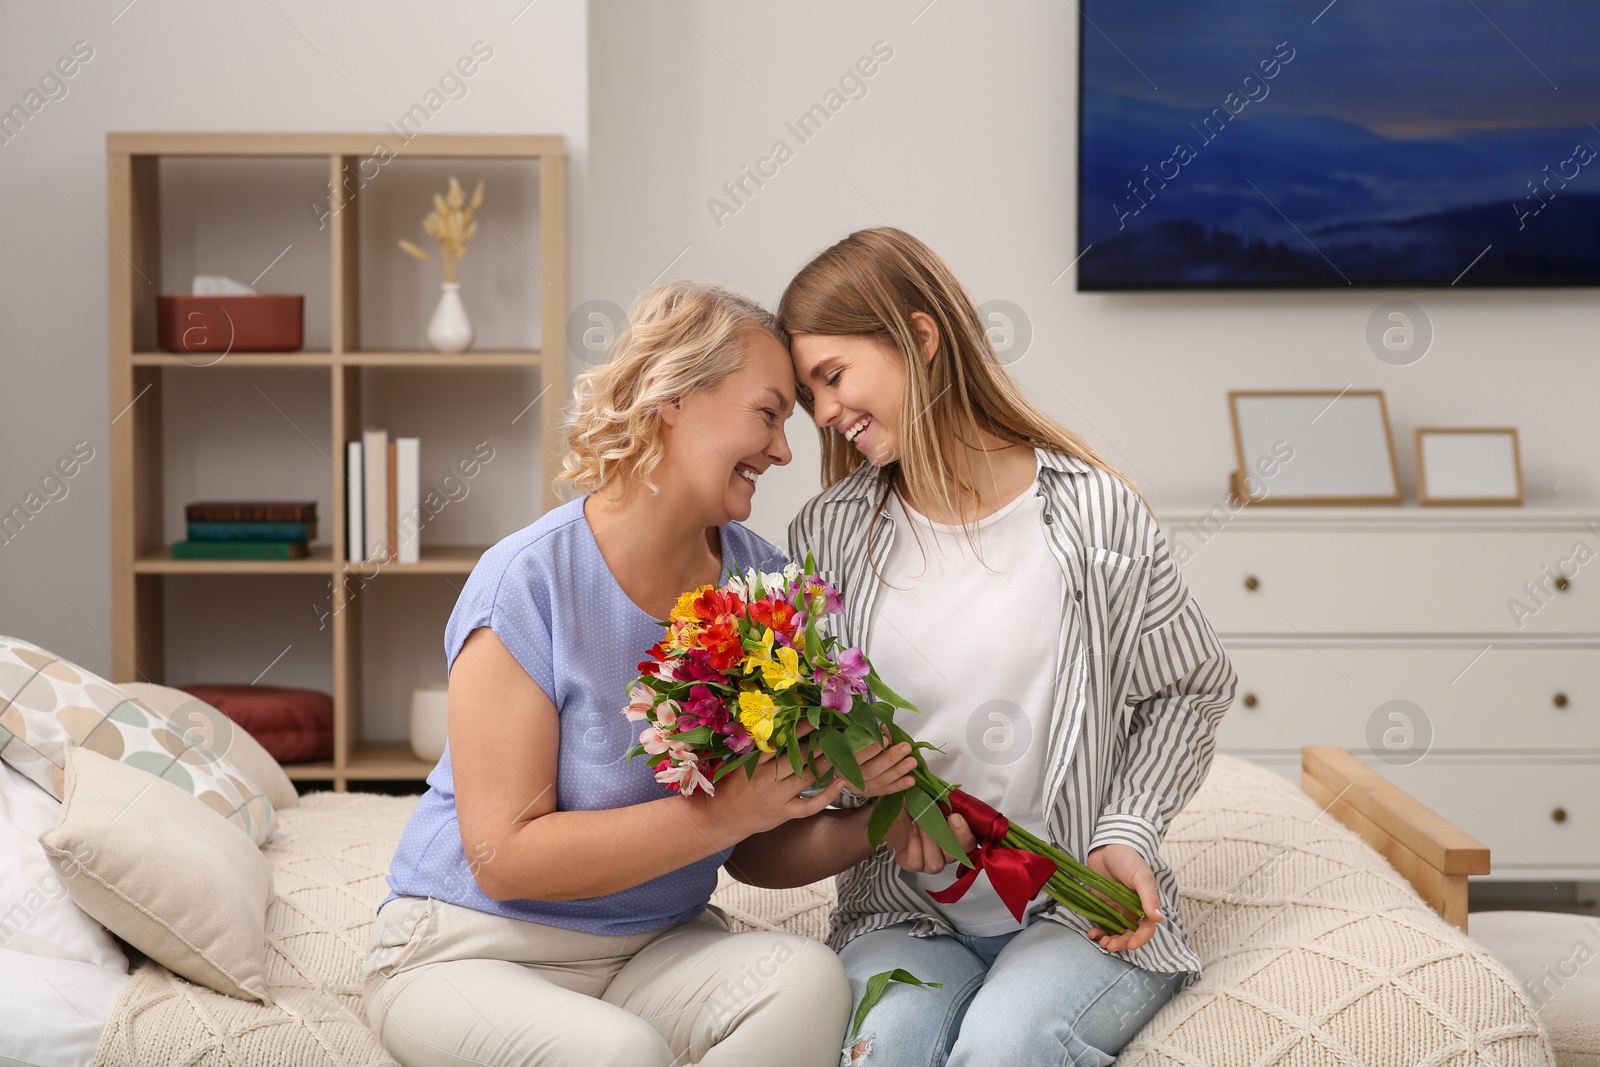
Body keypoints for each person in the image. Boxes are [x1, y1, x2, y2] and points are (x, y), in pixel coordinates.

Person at [737, 228, 1238, 1067]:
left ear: (921, 339)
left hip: (1075, 909)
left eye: (832, 378)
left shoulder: (1094, 515)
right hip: (904, 912)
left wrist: (1128, 829)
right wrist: (867, 811)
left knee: (1005, 1048)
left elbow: (1187, 690)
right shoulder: (828, 533)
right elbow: (816, 733)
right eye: (807, 395)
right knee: (885, 1048)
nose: (822, 414)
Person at [363, 281, 884, 1067]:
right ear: (674, 395)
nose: (783, 450)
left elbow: (752, 849)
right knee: (621, 1054)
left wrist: (877, 817)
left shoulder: (762, 589)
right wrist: (718, 815)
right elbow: (504, 859)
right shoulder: (529, 582)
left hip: (655, 950)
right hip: (473, 948)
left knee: (810, 980)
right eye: (770, 413)